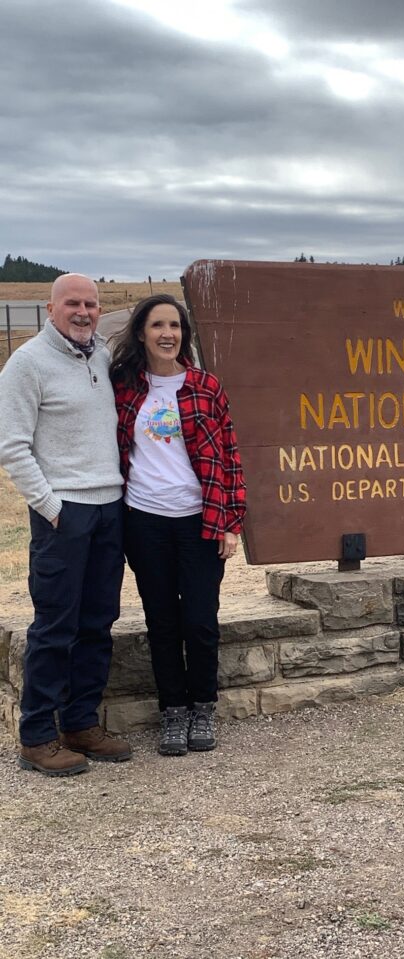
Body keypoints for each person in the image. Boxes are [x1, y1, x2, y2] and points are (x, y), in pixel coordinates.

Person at [0, 274, 131, 776]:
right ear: (51, 309)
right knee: (56, 626)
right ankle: (36, 736)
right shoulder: (28, 363)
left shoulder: (99, 356)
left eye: (91, 304)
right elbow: (12, 444)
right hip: (64, 513)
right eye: (72, 303)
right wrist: (51, 506)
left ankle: (80, 724)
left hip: (108, 507)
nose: (83, 312)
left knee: (98, 621)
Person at [110, 294, 246, 756]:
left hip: (200, 522)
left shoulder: (205, 386)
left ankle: (203, 705)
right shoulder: (124, 386)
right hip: (145, 522)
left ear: (184, 334)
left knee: (201, 621)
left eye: (175, 325)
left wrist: (231, 523)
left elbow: (229, 456)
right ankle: (173, 712)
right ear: (142, 333)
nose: (168, 333)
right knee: (162, 621)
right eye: (157, 325)